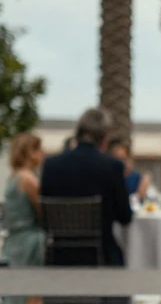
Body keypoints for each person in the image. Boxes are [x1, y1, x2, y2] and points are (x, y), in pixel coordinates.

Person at [39, 108, 133, 266]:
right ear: (104, 137)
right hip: (101, 257)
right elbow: (125, 217)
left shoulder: (51, 166)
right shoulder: (112, 166)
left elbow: (45, 217)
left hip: (59, 257)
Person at [1, 132, 46, 268]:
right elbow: (42, 211)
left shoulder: (14, 176)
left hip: (14, 240)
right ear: (29, 152)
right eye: (37, 149)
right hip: (29, 243)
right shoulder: (29, 179)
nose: (42, 153)